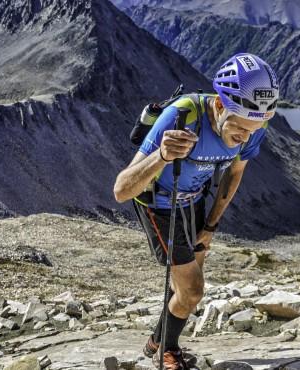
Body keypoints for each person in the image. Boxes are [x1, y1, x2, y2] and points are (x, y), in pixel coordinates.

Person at [113, 53, 279, 369]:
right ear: (219, 105)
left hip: (194, 202)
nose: (246, 137)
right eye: (240, 128)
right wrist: (162, 155)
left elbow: (235, 172)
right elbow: (121, 190)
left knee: (184, 284)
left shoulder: (252, 127)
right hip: (160, 205)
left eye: (254, 129)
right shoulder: (181, 116)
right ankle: (168, 350)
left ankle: (157, 341)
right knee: (192, 290)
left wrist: (211, 227)